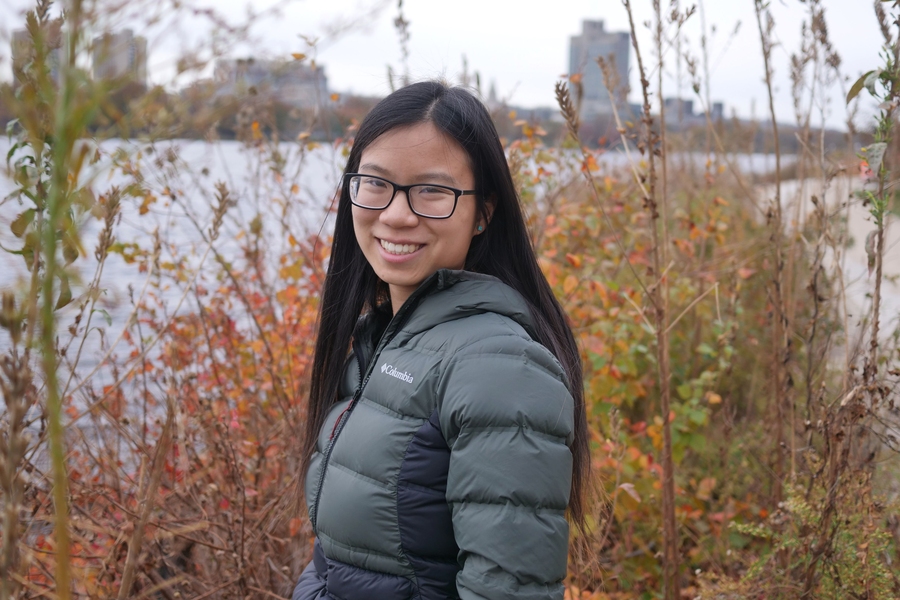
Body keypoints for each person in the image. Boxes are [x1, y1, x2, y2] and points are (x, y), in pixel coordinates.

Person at [292, 80, 589, 600]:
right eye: (376, 183)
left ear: (485, 213)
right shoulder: (381, 343)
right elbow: (338, 566)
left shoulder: (500, 367)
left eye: (433, 191)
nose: (397, 214)